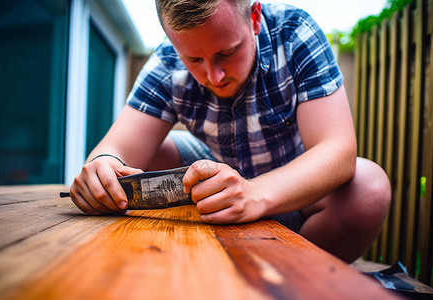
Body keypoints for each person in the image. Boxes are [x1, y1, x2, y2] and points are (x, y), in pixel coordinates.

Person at [70, 0, 391, 263]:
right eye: (193, 58)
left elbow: (338, 149)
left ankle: (290, 277)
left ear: (254, 17)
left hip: (298, 199)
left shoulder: (295, 33)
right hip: (215, 189)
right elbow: (115, 149)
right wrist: (102, 167)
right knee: (151, 154)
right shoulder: (166, 63)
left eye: (226, 52)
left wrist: (252, 193)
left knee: (369, 188)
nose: (214, 75)